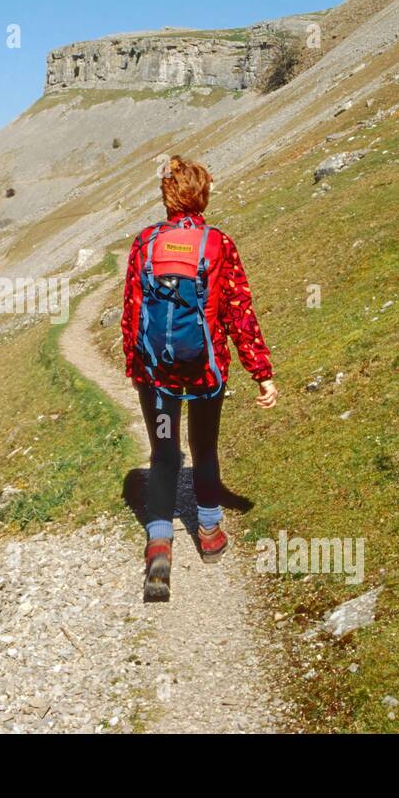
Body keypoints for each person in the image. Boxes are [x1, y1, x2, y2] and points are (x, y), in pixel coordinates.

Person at [120, 155, 277, 602]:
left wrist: (138, 372)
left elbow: (131, 316)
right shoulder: (218, 244)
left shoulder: (144, 243)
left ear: (167, 196)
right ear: (202, 194)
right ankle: (209, 533)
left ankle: (158, 546)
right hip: (206, 372)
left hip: (158, 377)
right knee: (204, 447)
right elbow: (239, 315)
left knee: (165, 453)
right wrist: (261, 374)